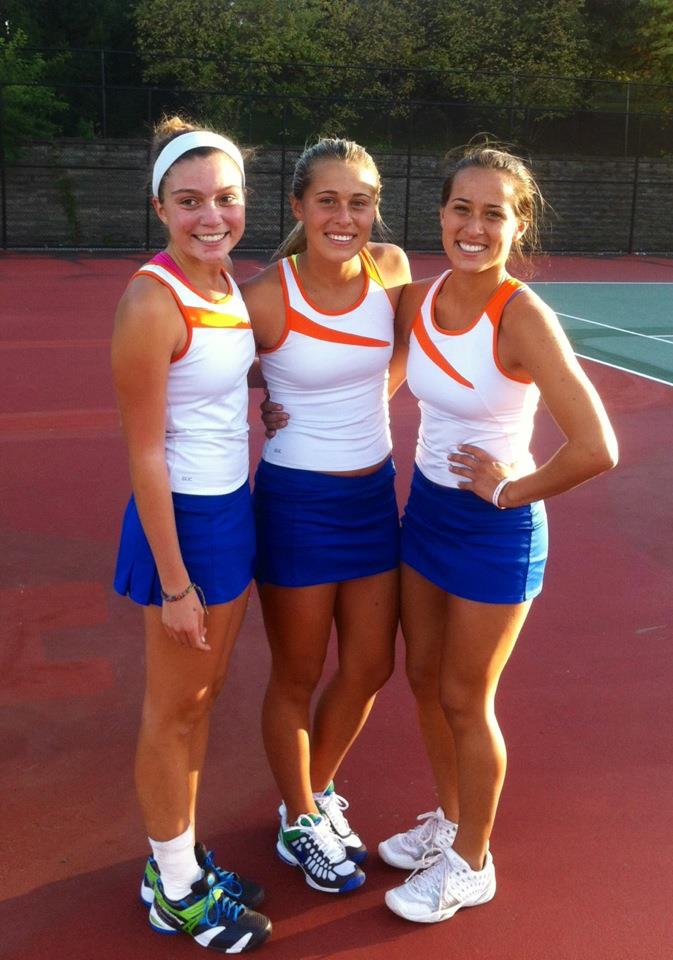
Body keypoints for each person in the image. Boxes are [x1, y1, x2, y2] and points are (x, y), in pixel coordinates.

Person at [379, 142, 618, 923]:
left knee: (462, 695)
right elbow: (351, 355)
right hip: (427, 514)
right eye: (460, 209)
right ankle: (448, 823)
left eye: (493, 214)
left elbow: (596, 447)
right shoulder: (416, 300)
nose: (473, 226)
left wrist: (512, 488)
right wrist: (293, 413)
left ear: (518, 227)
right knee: (419, 678)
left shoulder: (521, 316)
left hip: (495, 529)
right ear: (440, 214)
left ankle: (471, 864)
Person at [111, 116, 271, 952]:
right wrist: (174, 584)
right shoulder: (151, 297)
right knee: (172, 710)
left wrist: (261, 395)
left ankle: (180, 859)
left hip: (229, 508)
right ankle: (173, 886)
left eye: (225, 198)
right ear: (160, 206)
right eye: (189, 202)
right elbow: (144, 455)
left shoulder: (222, 278)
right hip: (182, 526)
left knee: (201, 701)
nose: (211, 215)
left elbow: (213, 376)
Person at [241, 138, 411, 894]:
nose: (345, 216)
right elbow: (220, 361)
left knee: (371, 664)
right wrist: (265, 394)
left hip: (372, 494)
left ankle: (310, 795)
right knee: (297, 673)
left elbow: (403, 349)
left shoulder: (393, 268)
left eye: (359, 201)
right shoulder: (264, 295)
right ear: (299, 207)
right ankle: (303, 819)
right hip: (297, 505)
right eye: (328, 201)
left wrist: (376, 399)